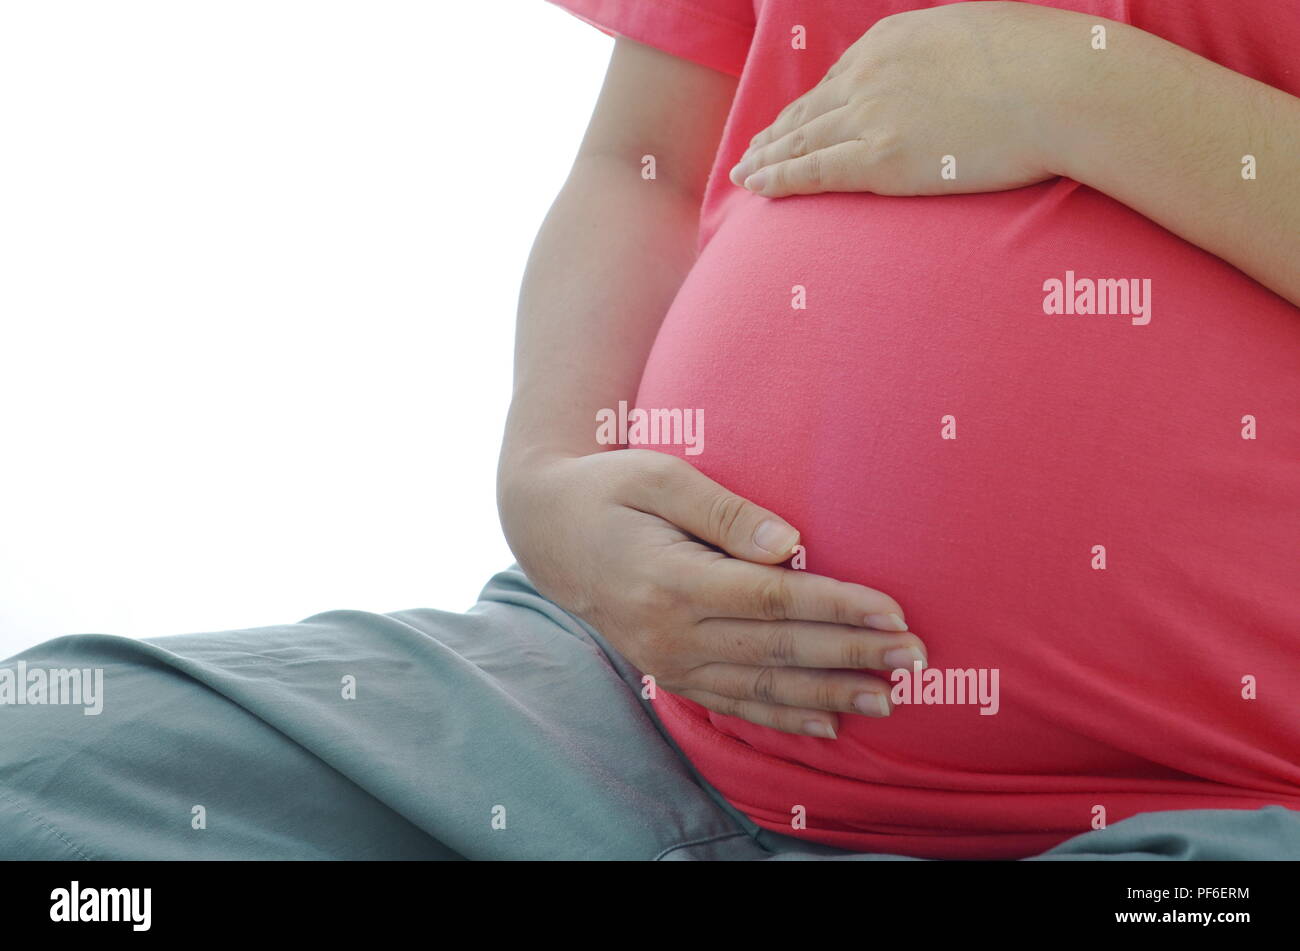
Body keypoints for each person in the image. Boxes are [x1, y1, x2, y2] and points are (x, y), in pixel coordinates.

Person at [2, 0, 1297, 861]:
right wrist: (549, 486)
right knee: (46, 771)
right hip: (627, 714)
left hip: (1214, 806)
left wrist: (1088, 94)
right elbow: (644, 168)